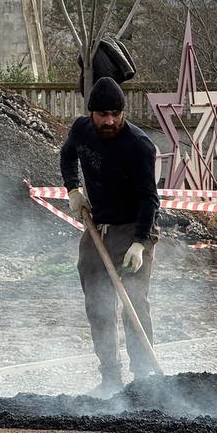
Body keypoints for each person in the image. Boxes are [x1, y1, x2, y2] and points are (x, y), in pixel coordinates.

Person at [60, 76, 160, 395]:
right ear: (91, 114)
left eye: (115, 113)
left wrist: (140, 244)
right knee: (98, 305)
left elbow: (149, 199)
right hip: (97, 227)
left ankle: (143, 379)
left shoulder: (138, 145)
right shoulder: (81, 131)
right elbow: (67, 155)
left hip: (133, 228)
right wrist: (74, 189)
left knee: (133, 302)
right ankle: (110, 377)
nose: (110, 120)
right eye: (103, 114)